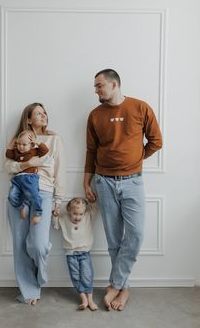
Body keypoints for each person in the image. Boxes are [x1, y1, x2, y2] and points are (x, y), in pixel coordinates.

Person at [84, 69, 162, 311]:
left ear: (114, 84)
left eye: (99, 86)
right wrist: (86, 182)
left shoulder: (140, 107)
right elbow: (91, 151)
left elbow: (156, 141)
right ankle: (124, 288)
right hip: (103, 182)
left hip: (133, 181)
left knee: (136, 234)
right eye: (95, 86)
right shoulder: (95, 115)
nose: (95, 90)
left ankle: (115, 284)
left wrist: (136, 159)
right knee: (114, 239)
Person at [5, 102, 65, 305]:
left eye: (45, 112)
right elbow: (8, 166)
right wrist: (25, 164)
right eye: (38, 113)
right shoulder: (18, 140)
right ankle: (29, 291)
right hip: (19, 192)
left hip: (44, 193)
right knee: (20, 244)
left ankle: (39, 277)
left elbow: (60, 172)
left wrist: (58, 200)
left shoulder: (54, 140)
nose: (44, 115)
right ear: (29, 118)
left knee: (37, 244)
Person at [52, 197, 98, 311]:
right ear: (69, 211)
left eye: (80, 214)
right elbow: (56, 225)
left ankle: (90, 299)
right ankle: (83, 298)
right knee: (75, 276)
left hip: (84, 252)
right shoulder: (64, 219)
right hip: (70, 253)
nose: (78, 217)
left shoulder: (87, 216)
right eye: (75, 214)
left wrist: (91, 196)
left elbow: (94, 206)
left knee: (87, 275)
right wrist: (55, 214)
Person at [6, 130, 49, 224]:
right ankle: (21, 207)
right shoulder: (16, 152)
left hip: (30, 178)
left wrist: (37, 143)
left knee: (33, 194)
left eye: (24, 144)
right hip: (17, 179)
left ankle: (38, 212)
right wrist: (12, 145)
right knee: (11, 195)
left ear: (31, 145)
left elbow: (45, 150)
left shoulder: (34, 151)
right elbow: (8, 154)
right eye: (19, 144)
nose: (21, 147)